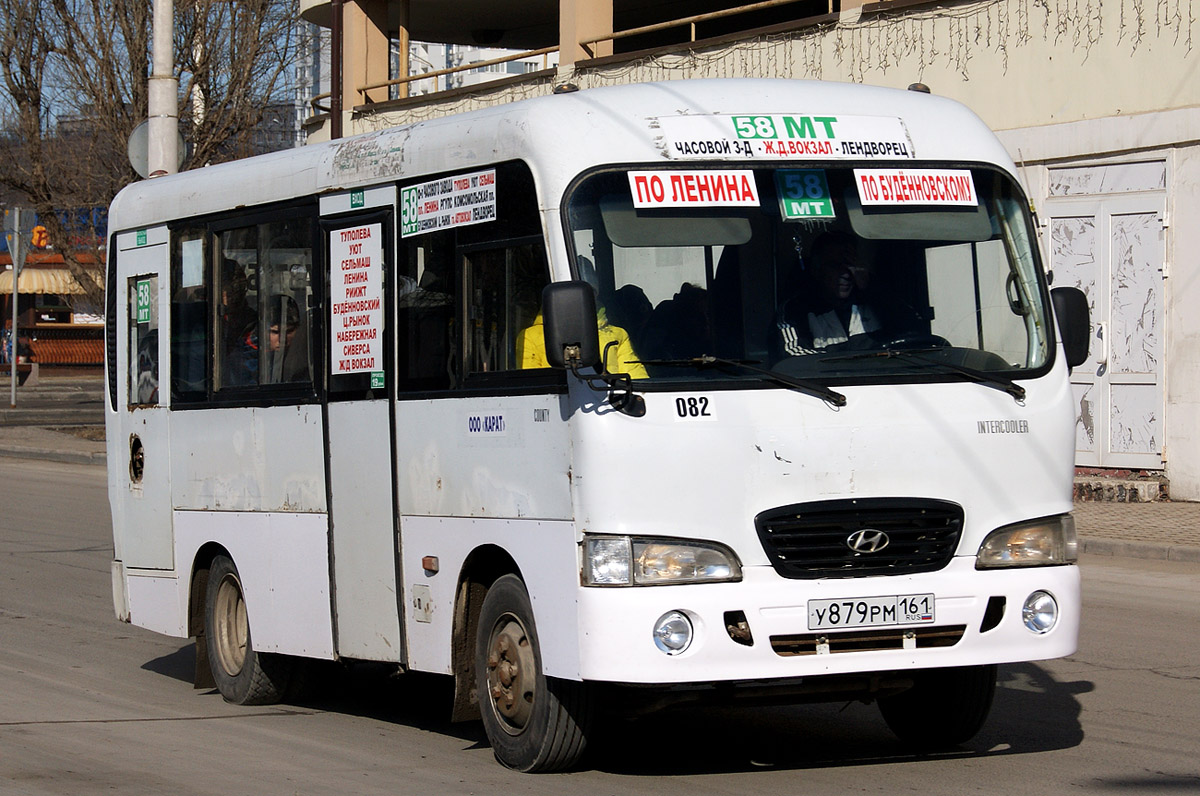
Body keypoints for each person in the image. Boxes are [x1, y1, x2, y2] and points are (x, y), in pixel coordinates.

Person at [776, 231, 881, 355]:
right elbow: (793, 356)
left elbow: (905, 336)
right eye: (836, 266)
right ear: (817, 270)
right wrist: (862, 347)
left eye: (850, 265)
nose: (846, 274)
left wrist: (870, 288)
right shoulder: (794, 310)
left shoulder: (874, 303)